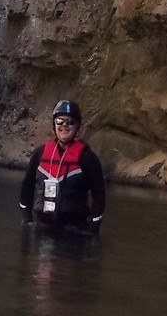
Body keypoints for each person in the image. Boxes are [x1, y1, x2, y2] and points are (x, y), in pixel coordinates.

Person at [20, 99, 105, 234]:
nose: (64, 125)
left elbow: (99, 194)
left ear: (77, 127)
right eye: (60, 121)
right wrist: (27, 218)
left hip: (74, 230)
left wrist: (93, 226)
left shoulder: (88, 158)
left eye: (70, 121)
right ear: (54, 125)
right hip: (42, 227)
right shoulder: (39, 154)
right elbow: (27, 186)